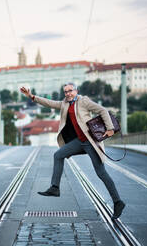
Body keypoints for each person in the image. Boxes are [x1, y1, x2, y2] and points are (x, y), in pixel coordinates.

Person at [20, 83, 125, 220]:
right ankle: (55, 187)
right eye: (65, 92)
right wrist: (32, 96)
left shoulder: (84, 101)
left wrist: (110, 128)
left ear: (76, 91)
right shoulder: (64, 103)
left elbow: (103, 110)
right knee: (58, 155)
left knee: (101, 173)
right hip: (78, 142)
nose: (68, 94)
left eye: (70, 91)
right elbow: (49, 103)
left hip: (90, 142)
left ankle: (118, 202)